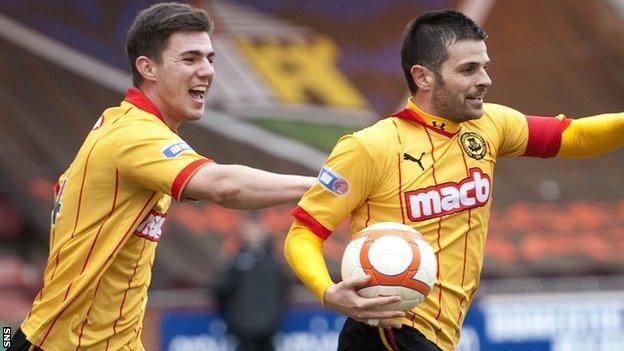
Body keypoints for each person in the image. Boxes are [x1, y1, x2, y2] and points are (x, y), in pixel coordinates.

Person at [284, 9, 624, 351]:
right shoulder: (370, 147)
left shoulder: (490, 125)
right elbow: (303, 233)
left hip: (439, 337)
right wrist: (328, 293)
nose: (485, 79)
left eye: (484, 66)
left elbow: (575, 136)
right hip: (389, 332)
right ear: (424, 77)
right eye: (468, 69)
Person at [10, 3, 314, 351]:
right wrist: (320, 186)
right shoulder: (134, 135)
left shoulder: (129, 126)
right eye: (190, 59)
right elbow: (224, 186)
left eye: (210, 59)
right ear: (147, 67)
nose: (207, 71)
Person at [214, 213, 288, 351]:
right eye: (250, 228)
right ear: (243, 230)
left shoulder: (274, 261)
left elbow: (284, 289)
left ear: (264, 230)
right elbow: (220, 290)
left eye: (257, 228)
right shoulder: (234, 261)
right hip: (242, 329)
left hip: (269, 327)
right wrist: (225, 266)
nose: (254, 233)